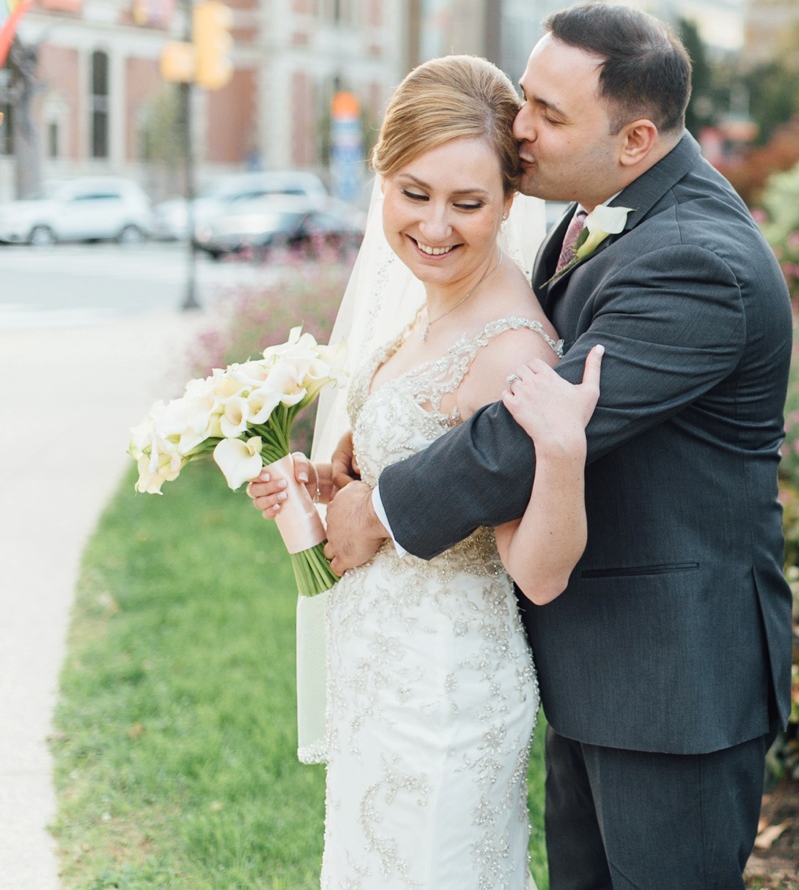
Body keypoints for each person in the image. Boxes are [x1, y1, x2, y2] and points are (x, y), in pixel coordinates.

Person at [321, 2, 795, 888]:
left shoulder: (697, 260)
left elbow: (521, 431)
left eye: (548, 113)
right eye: (524, 96)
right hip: (593, 659)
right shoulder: (602, 216)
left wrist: (382, 509)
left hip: (671, 679)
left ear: (636, 138)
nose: (519, 128)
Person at [252, 53, 603, 888]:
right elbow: (421, 473)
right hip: (379, 666)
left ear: (510, 202)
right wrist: (329, 485)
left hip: (445, 688)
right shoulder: (423, 303)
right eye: (414, 193)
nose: (436, 225)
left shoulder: (513, 350)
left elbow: (541, 572)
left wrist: (561, 452)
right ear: (382, 181)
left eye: (468, 202)